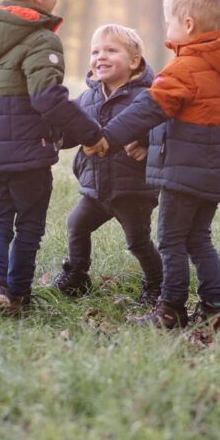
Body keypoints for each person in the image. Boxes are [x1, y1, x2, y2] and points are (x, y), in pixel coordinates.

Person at [84, 0, 220, 330]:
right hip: (211, 172)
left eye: (169, 21)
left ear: (187, 25)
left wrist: (107, 138)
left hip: (182, 175)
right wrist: (145, 144)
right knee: (199, 239)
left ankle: (170, 309)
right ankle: (214, 309)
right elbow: (183, 116)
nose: (167, 29)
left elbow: (148, 108)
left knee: (172, 240)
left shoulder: (184, 68)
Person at [0, 0, 102, 312]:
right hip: (28, 153)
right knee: (28, 225)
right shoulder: (40, 38)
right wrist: (90, 133)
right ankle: (19, 294)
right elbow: (49, 98)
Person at [53, 24, 162, 304]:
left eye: (111, 50)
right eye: (95, 51)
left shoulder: (146, 98)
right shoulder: (87, 98)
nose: (101, 56)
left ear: (134, 61)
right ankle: (77, 274)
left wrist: (148, 148)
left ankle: (156, 284)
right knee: (77, 224)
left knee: (137, 241)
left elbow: (164, 131)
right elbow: (71, 132)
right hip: (95, 188)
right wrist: (55, 136)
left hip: (132, 189)